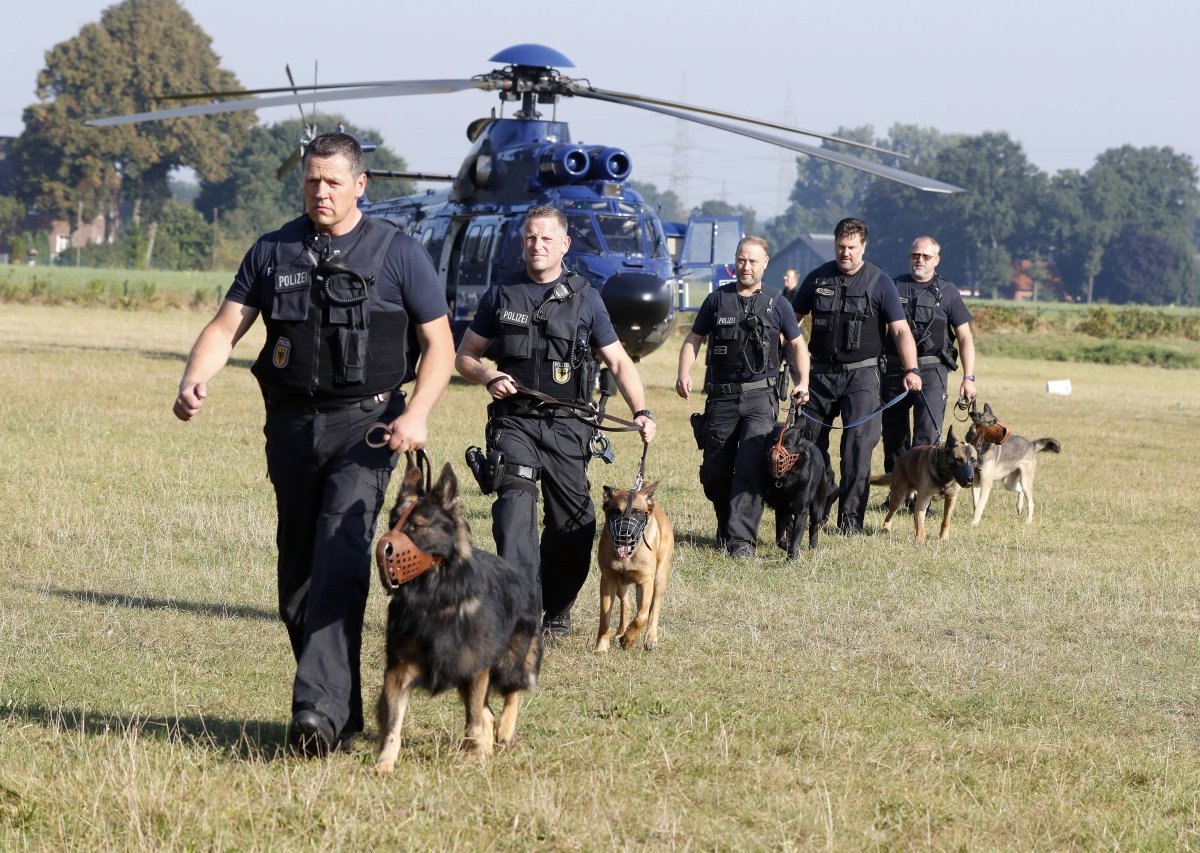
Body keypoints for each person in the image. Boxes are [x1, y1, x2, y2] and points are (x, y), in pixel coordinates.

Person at [171, 132, 454, 757]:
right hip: (292, 429)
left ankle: (314, 713)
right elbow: (227, 325)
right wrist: (196, 376)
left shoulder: (399, 253)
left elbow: (441, 345)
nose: (320, 192)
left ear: (360, 184)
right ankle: (341, 714)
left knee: (339, 554)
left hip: (368, 429)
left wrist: (421, 413)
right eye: (310, 181)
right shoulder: (273, 249)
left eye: (332, 181)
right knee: (297, 579)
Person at [454, 205, 656, 637]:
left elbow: (618, 361)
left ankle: (557, 607)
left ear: (564, 244)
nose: (537, 245)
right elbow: (465, 357)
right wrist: (488, 374)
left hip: (568, 425)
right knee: (514, 513)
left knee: (575, 524)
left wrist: (641, 412)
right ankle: (520, 610)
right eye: (530, 237)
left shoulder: (587, 297)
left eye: (546, 238)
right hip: (515, 423)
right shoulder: (501, 293)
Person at [676, 236, 809, 558]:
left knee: (750, 467)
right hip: (721, 398)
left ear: (765, 264)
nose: (746, 266)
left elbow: (797, 345)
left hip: (760, 398)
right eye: (741, 260)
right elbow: (693, 339)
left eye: (752, 261)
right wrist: (684, 372)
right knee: (715, 471)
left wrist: (803, 380)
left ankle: (741, 541)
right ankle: (726, 524)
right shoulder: (716, 300)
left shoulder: (778, 303)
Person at [789, 217, 922, 534]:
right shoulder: (817, 278)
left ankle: (850, 522)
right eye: (840, 247)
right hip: (819, 375)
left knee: (857, 450)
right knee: (809, 446)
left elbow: (900, 329)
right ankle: (816, 509)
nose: (844, 253)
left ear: (863, 247)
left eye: (851, 248)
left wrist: (912, 369)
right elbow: (791, 323)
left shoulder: (879, 282)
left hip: (861, 377)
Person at [880, 236, 977, 480]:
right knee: (894, 434)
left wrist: (969, 377)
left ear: (937, 260)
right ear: (909, 257)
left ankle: (924, 490)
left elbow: (965, 337)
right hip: (895, 370)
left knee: (928, 434)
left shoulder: (948, 292)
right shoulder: (892, 287)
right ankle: (898, 490)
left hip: (933, 370)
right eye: (915, 255)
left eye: (926, 256)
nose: (920, 260)